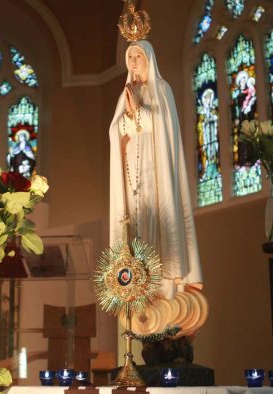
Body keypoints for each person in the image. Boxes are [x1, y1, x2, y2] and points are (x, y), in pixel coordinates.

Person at [108, 41, 203, 300]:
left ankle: (163, 284)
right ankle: (138, 282)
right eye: (130, 56)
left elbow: (163, 127)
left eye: (139, 55)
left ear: (149, 58)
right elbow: (115, 131)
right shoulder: (124, 93)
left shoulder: (162, 89)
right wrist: (128, 116)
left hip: (154, 170)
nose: (134, 61)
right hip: (132, 174)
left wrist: (138, 111)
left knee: (157, 217)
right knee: (135, 219)